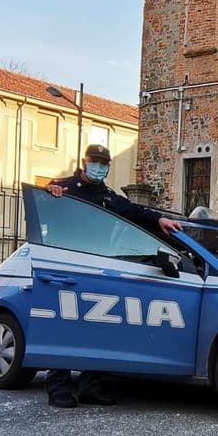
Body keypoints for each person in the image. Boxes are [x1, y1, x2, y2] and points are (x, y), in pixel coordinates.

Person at [43, 144, 182, 408]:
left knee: (97, 328)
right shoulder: (63, 188)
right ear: (84, 162)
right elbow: (46, 206)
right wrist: (51, 193)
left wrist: (160, 219)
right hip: (68, 265)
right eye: (94, 162)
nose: (98, 167)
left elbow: (134, 211)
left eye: (103, 164)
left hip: (99, 267)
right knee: (64, 327)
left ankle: (90, 386)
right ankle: (59, 386)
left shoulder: (107, 195)